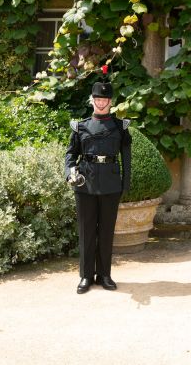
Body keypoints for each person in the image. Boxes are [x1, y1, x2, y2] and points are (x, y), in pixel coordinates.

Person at [65, 77, 132, 293]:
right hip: (85, 183)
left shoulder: (120, 127)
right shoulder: (80, 126)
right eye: (97, 99)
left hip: (111, 184)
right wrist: (69, 174)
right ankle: (86, 276)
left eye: (105, 99)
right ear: (92, 100)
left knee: (106, 231)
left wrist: (125, 184)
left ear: (111, 102)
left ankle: (104, 275)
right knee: (86, 231)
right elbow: (70, 155)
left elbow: (127, 157)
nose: (101, 103)